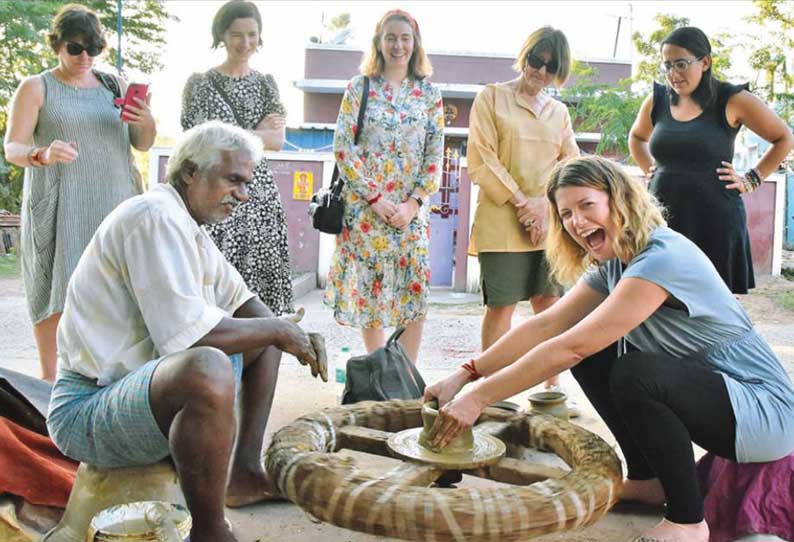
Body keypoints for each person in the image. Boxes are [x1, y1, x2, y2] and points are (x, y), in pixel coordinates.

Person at [425, 156, 794, 542]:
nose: (577, 222)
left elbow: (572, 347)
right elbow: (548, 325)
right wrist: (466, 374)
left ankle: (687, 522)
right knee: (604, 355)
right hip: (720, 398)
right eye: (566, 213)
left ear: (619, 200)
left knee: (633, 371)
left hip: (762, 411)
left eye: (587, 205)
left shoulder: (662, 257)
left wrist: (478, 399)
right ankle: (648, 479)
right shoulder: (617, 262)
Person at [46, 121, 326, 542]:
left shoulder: (188, 226)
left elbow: (246, 303)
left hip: (138, 393)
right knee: (209, 363)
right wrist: (277, 330)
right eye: (234, 180)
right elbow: (189, 340)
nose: (243, 195)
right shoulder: (153, 217)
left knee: (265, 333)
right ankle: (210, 532)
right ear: (191, 171)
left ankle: (245, 474)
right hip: (86, 408)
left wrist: (281, 330)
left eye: (246, 183)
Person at [3, 3, 156, 381]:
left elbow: (143, 144)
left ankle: (110, 383)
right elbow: (12, 148)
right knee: (57, 289)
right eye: (75, 48)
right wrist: (42, 153)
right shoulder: (37, 87)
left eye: (94, 48)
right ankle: (51, 383)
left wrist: (147, 120)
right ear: (56, 45)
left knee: (117, 293)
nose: (85, 57)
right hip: (62, 203)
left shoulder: (113, 86)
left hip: (115, 203)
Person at [629, 26, 794, 294]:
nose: (673, 74)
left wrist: (751, 179)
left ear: (705, 62)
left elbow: (783, 138)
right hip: (664, 217)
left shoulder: (732, 99)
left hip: (715, 220)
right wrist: (650, 168)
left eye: (681, 64)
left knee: (714, 307)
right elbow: (636, 138)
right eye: (667, 66)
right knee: (660, 301)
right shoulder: (657, 101)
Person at [323, 9, 444, 363]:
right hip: (366, 211)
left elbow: (435, 153)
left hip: (410, 213)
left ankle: (405, 375)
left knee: (415, 293)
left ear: (415, 43)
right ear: (379, 42)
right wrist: (375, 198)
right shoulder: (359, 88)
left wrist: (413, 203)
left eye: (405, 38)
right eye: (391, 37)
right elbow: (343, 148)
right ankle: (377, 372)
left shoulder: (429, 94)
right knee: (370, 295)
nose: (398, 45)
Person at [467, 27, 579, 399]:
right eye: (537, 61)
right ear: (525, 56)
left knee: (548, 305)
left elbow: (571, 163)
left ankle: (549, 384)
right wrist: (523, 205)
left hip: (547, 224)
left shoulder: (559, 112)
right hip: (501, 221)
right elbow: (482, 160)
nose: (541, 72)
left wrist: (545, 209)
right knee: (501, 307)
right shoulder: (492, 98)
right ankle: (490, 387)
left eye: (552, 67)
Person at [181, 0, 292, 315]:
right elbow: (198, 142)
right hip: (212, 196)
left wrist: (232, 135)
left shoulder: (266, 84)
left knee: (260, 292)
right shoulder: (199, 85)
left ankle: (259, 356)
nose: (245, 43)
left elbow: (277, 140)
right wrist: (255, 134)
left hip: (259, 197)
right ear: (221, 35)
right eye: (236, 34)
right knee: (212, 287)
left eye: (252, 34)